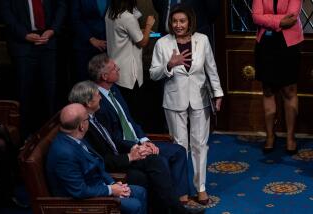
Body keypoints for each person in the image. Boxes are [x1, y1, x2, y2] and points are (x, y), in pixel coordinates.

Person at [68, 80, 205, 214]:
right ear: (88, 102)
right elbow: (101, 160)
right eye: (97, 95)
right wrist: (129, 157)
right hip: (114, 165)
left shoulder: (95, 116)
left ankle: (172, 210)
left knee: (153, 160)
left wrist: (137, 147)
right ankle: (176, 211)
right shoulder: (83, 128)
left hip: (121, 155)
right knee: (151, 168)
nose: (100, 97)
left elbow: (114, 139)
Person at [149, 4, 223, 205]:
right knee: (180, 146)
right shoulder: (163, 44)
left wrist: (218, 94)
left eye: (182, 21)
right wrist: (169, 65)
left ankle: (201, 188)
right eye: (175, 21)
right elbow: (153, 74)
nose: (178, 25)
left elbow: (211, 69)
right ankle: (181, 189)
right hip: (174, 100)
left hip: (200, 99)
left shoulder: (203, 40)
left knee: (200, 145)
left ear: (190, 21)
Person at [46, 103, 147, 214]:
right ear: (81, 126)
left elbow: (98, 163)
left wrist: (113, 184)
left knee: (140, 191)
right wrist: (111, 190)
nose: (89, 120)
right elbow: (79, 191)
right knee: (135, 205)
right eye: (87, 118)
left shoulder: (75, 136)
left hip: (98, 185)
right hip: (83, 203)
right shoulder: (64, 154)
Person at [0, 0, 67, 140]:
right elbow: (6, 13)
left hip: (48, 42)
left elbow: (62, 5)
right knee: (24, 93)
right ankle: (25, 139)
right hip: (22, 44)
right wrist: (24, 35)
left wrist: (53, 29)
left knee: (50, 93)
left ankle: (51, 136)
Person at [252, 0, 303, 154]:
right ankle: (270, 136)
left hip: (289, 45)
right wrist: (280, 21)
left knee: (289, 90)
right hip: (265, 44)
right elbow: (256, 17)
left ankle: (290, 137)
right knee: (268, 90)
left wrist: (268, 19)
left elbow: (292, 19)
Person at [105, 0, 155, 121]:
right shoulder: (127, 17)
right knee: (133, 112)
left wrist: (140, 31)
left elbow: (123, 33)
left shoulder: (110, 12)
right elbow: (142, 42)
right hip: (129, 74)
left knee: (122, 111)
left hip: (115, 69)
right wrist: (148, 26)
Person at [71, 0, 109, 82]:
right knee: (85, 83)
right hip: (84, 46)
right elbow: (75, 19)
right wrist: (91, 39)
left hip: (106, 44)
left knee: (103, 81)